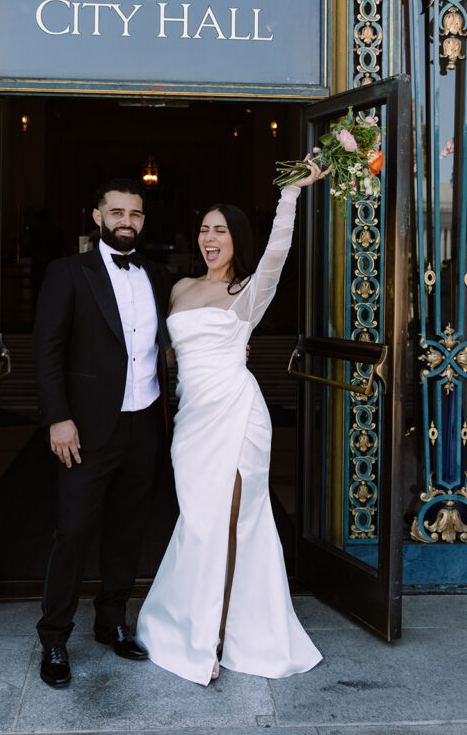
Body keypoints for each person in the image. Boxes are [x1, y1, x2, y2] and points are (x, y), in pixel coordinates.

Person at [136, 157, 326, 685]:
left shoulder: (247, 292)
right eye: (204, 229)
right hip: (192, 423)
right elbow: (167, 357)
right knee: (198, 522)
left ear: (237, 238)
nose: (209, 238)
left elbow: (279, 253)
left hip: (238, 417)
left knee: (233, 522)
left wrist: (292, 194)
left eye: (220, 230)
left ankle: (214, 642)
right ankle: (186, 624)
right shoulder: (179, 290)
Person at [33, 178, 172, 687]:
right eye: (116, 212)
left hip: (145, 419)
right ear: (97, 216)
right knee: (72, 530)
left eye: (134, 214)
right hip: (85, 427)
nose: (126, 221)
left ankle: (112, 621)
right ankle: (53, 638)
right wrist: (57, 417)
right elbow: (46, 350)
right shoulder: (67, 272)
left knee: (128, 527)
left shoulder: (158, 275)